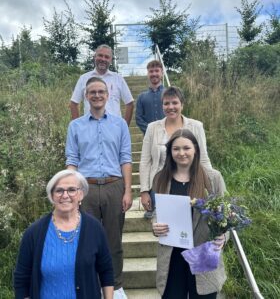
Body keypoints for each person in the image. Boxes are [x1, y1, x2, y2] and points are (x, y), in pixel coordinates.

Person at [66, 77, 132, 298]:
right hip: (87, 188)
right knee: (87, 238)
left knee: (114, 239)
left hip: (114, 186)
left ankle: (115, 285)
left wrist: (128, 190)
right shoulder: (75, 126)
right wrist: (72, 190)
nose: (97, 95)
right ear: (86, 96)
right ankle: (92, 283)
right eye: (92, 92)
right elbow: (72, 160)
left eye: (101, 91)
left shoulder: (120, 124)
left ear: (108, 94)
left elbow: (125, 158)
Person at [14, 169, 114, 299]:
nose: (65, 195)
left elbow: (106, 271)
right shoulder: (34, 233)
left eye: (72, 190)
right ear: (52, 196)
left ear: (81, 194)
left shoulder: (95, 228)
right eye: (59, 190)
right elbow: (21, 278)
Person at [152, 129, 227, 298]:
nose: (181, 153)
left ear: (195, 149)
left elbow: (225, 215)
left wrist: (223, 236)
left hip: (203, 251)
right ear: (170, 152)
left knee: (203, 295)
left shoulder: (213, 178)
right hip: (172, 254)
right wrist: (155, 226)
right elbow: (159, 212)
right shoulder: (161, 178)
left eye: (186, 148)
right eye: (176, 149)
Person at [140, 86, 215, 219]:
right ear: (162, 106)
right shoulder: (152, 128)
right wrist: (144, 191)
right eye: (166, 103)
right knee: (166, 225)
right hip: (160, 186)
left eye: (175, 102)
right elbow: (145, 161)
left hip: (191, 183)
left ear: (182, 104)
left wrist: (211, 187)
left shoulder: (196, 126)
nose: (171, 107)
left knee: (194, 222)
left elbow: (203, 158)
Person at [70, 44, 134, 126]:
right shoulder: (83, 78)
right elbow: (74, 103)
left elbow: (130, 103)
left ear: (111, 60)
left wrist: (124, 127)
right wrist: (78, 127)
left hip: (113, 129)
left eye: (107, 57)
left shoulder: (118, 79)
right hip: (90, 129)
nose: (103, 59)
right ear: (95, 57)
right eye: (100, 55)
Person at [136, 60, 165, 134]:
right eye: (151, 71)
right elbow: (138, 119)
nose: (154, 74)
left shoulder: (169, 93)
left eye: (157, 71)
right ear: (148, 74)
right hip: (149, 138)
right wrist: (151, 132)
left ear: (162, 73)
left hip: (168, 136)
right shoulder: (141, 97)